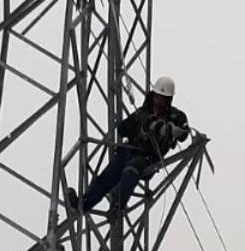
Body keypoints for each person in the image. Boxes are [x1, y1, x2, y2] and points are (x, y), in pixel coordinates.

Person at [67, 75, 190, 213]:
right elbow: (122, 129)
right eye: (157, 98)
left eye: (162, 99)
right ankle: (83, 204)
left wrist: (173, 131)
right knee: (107, 176)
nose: (158, 102)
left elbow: (184, 134)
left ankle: (117, 206)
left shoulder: (175, 116)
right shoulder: (143, 113)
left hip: (148, 157)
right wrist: (138, 125)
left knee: (130, 171)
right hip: (130, 150)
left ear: (168, 100)